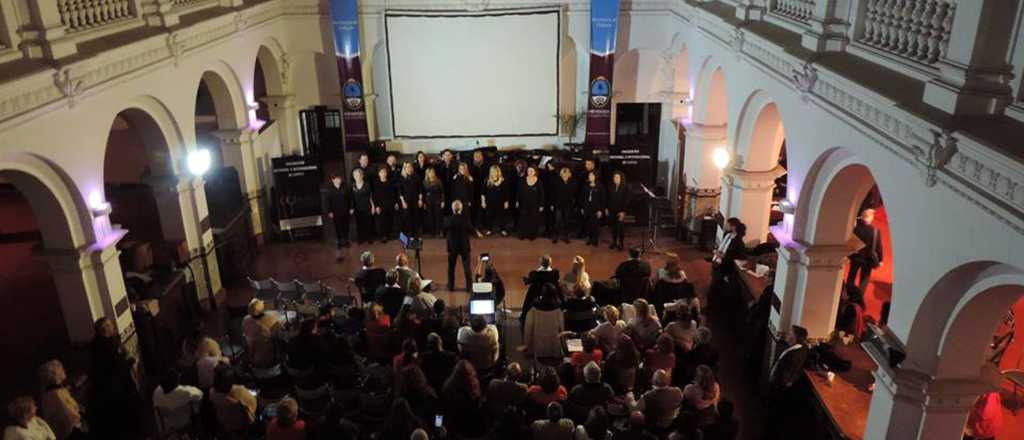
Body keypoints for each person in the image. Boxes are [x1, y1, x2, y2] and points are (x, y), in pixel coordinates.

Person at [88, 317, 143, 440]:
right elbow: (119, 366)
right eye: (109, 325)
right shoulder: (107, 348)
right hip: (119, 388)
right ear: (104, 330)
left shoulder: (99, 343)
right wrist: (133, 361)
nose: (113, 326)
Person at [35, 360, 83, 440]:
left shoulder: (51, 391)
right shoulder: (56, 395)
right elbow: (71, 418)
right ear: (56, 374)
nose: (64, 370)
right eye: (62, 369)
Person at [209, 365, 257, 439]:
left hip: (224, 422)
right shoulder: (240, 391)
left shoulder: (212, 392)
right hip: (240, 424)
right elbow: (253, 405)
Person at [441, 360, 486, 438]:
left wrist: (438, 426)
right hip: (467, 431)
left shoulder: (447, 386)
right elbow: (477, 417)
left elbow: (439, 410)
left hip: (450, 430)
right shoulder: (472, 394)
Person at [152, 369, 203, 436]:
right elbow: (200, 394)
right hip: (185, 424)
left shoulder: (156, 392)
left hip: (167, 426)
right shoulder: (186, 392)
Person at [846, 207, 884, 292]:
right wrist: (881, 259)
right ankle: (860, 294)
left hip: (855, 257)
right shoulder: (875, 231)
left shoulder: (856, 229)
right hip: (868, 259)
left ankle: (849, 291)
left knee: (852, 275)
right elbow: (878, 246)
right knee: (865, 278)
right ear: (870, 218)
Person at [524, 283, 565, 360]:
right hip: (554, 348)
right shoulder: (558, 310)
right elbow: (562, 328)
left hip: (539, 348)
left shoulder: (534, 309)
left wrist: (527, 346)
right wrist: (564, 346)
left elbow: (528, 329)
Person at [767, 325, 810, 399]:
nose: (787, 335)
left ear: (795, 338)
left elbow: (785, 378)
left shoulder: (794, 356)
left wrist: (774, 383)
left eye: (790, 333)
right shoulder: (803, 347)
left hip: (778, 388)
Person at [521, 255, 561, 328]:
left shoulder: (535, 274)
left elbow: (529, 282)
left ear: (541, 263)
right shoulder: (554, 274)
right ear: (550, 263)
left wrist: (526, 280)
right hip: (552, 300)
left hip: (536, 299)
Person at [443, 200, 474, 291]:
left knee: (451, 268)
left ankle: (451, 286)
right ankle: (469, 287)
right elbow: (471, 230)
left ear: (453, 209)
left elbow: (443, 231)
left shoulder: (448, 220)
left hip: (452, 247)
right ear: (461, 209)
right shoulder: (465, 219)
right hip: (464, 246)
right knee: (467, 267)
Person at [516, 165, 545, 240]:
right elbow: (518, 192)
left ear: (535, 172)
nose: (530, 172)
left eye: (531, 171)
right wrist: (517, 201)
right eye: (528, 171)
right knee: (523, 219)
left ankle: (532, 235)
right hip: (523, 203)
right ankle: (522, 234)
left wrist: (541, 205)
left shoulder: (539, 182)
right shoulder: (522, 180)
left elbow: (542, 194)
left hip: (535, 204)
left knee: (533, 219)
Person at [327, 173, 352, 258]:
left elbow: (350, 199)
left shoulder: (345, 188)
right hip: (336, 212)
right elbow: (328, 202)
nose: (338, 181)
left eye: (339, 179)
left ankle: (346, 240)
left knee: (346, 226)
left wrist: (351, 208)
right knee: (338, 227)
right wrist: (330, 211)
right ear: (333, 180)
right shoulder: (330, 190)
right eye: (336, 179)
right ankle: (340, 241)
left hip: (345, 211)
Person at [482, 164, 510, 236]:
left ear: (498, 172)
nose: (493, 173)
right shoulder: (487, 180)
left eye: (495, 171)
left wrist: (506, 202)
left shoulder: (503, 180)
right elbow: (483, 193)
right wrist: (483, 202)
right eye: (492, 171)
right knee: (489, 216)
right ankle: (489, 229)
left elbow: (506, 193)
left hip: (500, 202)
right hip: (490, 202)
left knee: (502, 216)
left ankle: (503, 229)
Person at [580, 171, 606, 247]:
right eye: (589, 176)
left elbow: (603, 199)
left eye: (591, 176)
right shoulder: (585, 185)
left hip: (596, 209)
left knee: (595, 225)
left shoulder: (600, 186)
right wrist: (582, 207)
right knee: (588, 225)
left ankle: (595, 240)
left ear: (595, 176)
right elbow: (582, 197)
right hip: (587, 208)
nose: (590, 177)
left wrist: (601, 210)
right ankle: (590, 239)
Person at [373, 166, 399, 243]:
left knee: (390, 219)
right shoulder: (376, 184)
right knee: (382, 221)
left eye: (384, 172)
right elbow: (375, 196)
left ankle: (389, 234)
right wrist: (377, 206)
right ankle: (383, 236)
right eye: (381, 172)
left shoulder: (390, 182)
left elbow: (394, 194)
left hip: (390, 203)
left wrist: (396, 203)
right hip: (381, 205)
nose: (383, 174)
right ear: (379, 174)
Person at [550, 166, 576, 243]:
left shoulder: (572, 182)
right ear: (561, 174)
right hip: (558, 204)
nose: (565, 174)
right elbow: (553, 194)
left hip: (568, 205)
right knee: (557, 221)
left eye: (566, 172)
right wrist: (552, 204)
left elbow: (574, 194)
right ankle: (555, 236)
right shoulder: (556, 181)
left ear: (569, 174)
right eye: (563, 172)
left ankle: (566, 236)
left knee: (566, 221)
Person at [351, 168, 376, 243]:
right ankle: (361, 238)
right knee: (359, 224)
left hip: (367, 206)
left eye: (358, 175)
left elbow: (371, 196)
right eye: (355, 175)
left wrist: (373, 206)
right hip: (357, 207)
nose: (357, 177)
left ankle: (369, 238)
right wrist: (351, 207)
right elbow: (351, 198)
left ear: (362, 176)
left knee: (368, 223)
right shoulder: (352, 185)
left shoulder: (367, 184)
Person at [606, 171, 629, 250]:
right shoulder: (611, 187)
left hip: (620, 212)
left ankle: (621, 244)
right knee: (613, 228)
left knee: (620, 229)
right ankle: (614, 242)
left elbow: (626, 201)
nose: (615, 179)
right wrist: (607, 208)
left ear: (621, 178)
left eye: (617, 177)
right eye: (614, 177)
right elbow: (608, 199)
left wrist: (623, 212)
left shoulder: (625, 188)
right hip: (612, 211)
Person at [398, 162, 422, 238]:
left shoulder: (416, 176)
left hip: (415, 199)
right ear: (404, 168)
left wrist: (420, 199)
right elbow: (400, 191)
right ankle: (410, 232)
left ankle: (416, 232)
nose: (409, 168)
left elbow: (420, 189)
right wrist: (403, 202)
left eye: (410, 167)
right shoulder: (401, 178)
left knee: (416, 216)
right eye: (407, 167)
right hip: (406, 201)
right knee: (408, 217)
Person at [422, 167, 446, 236]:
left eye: (433, 172)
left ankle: (440, 230)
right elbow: (423, 193)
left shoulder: (438, 181)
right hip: (428, 200)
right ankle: (432, 231)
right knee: (430, 216)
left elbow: (442, 192)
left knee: (438, 216)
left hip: (437, 200)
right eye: (430, 172)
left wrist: (443, 201)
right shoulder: (424, 182)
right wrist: (424, 202)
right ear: (427, 173)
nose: (432, 174)